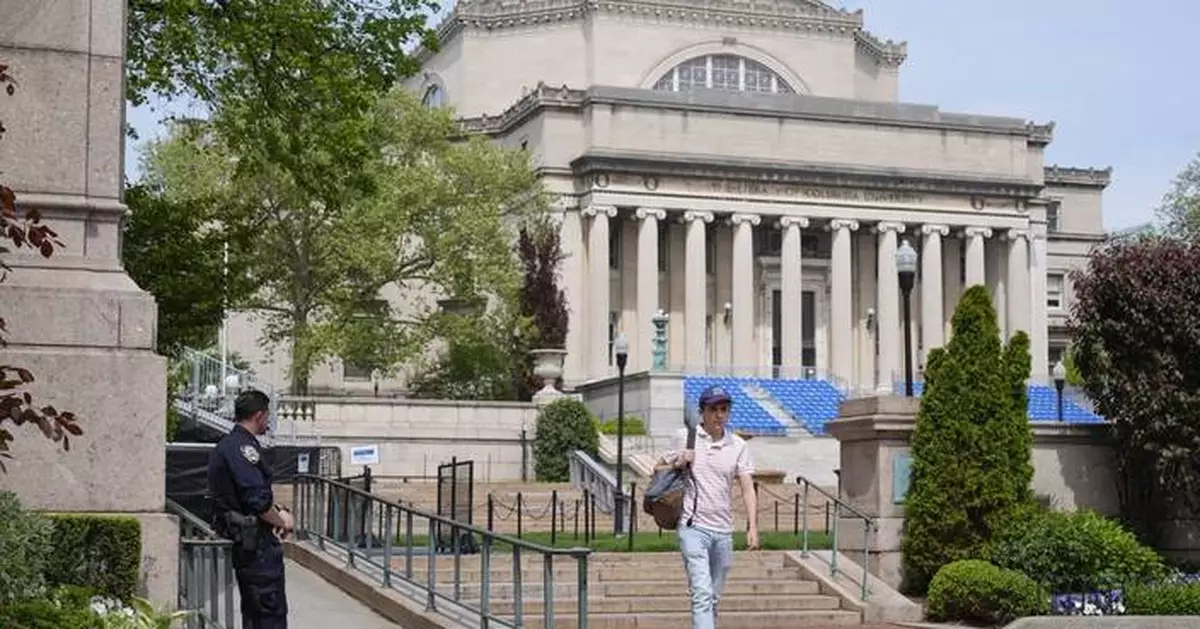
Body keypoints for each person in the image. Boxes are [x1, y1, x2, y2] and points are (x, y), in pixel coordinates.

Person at [658, 384, 758, 629]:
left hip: (723, 530)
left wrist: (752, 526)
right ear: (702, 411)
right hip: (693, 527)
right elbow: (657, 470)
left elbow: (747, 487)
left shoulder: (738, 445)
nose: (719, 415)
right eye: (713, 409)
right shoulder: (685, 437)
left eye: (724, 409)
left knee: (712, 595)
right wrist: (680, 462)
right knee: (702, 594)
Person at [207, 388, 294, 629]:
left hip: (250, 544)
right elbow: (257, 500)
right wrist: (282, 520)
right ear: (259, 416)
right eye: (267, 416)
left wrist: (277, 511)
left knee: (255, 616)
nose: (268, 422)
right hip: (256, 549)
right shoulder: (243, 448)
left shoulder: (227, 445)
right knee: (268, 615)